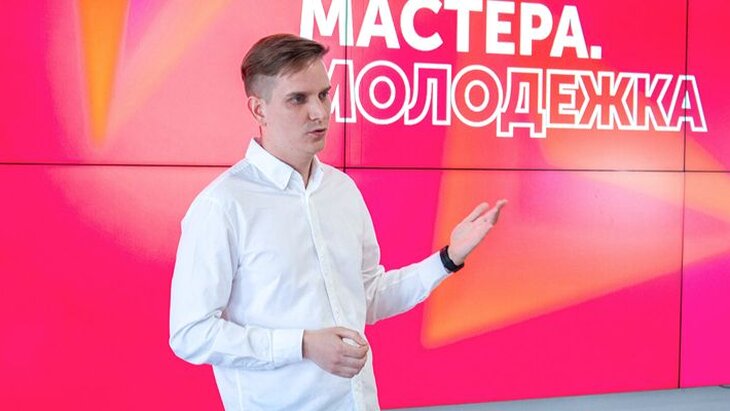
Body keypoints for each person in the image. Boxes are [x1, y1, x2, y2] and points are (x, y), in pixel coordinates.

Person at [169, 33, 507, 410]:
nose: (319, 112)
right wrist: (302, 344)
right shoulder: (222, 205)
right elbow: (190, 334)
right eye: (298, 99)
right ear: (259, 109)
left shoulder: (341, 190)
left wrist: (447, 259)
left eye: (324, 95)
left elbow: (368, 297)